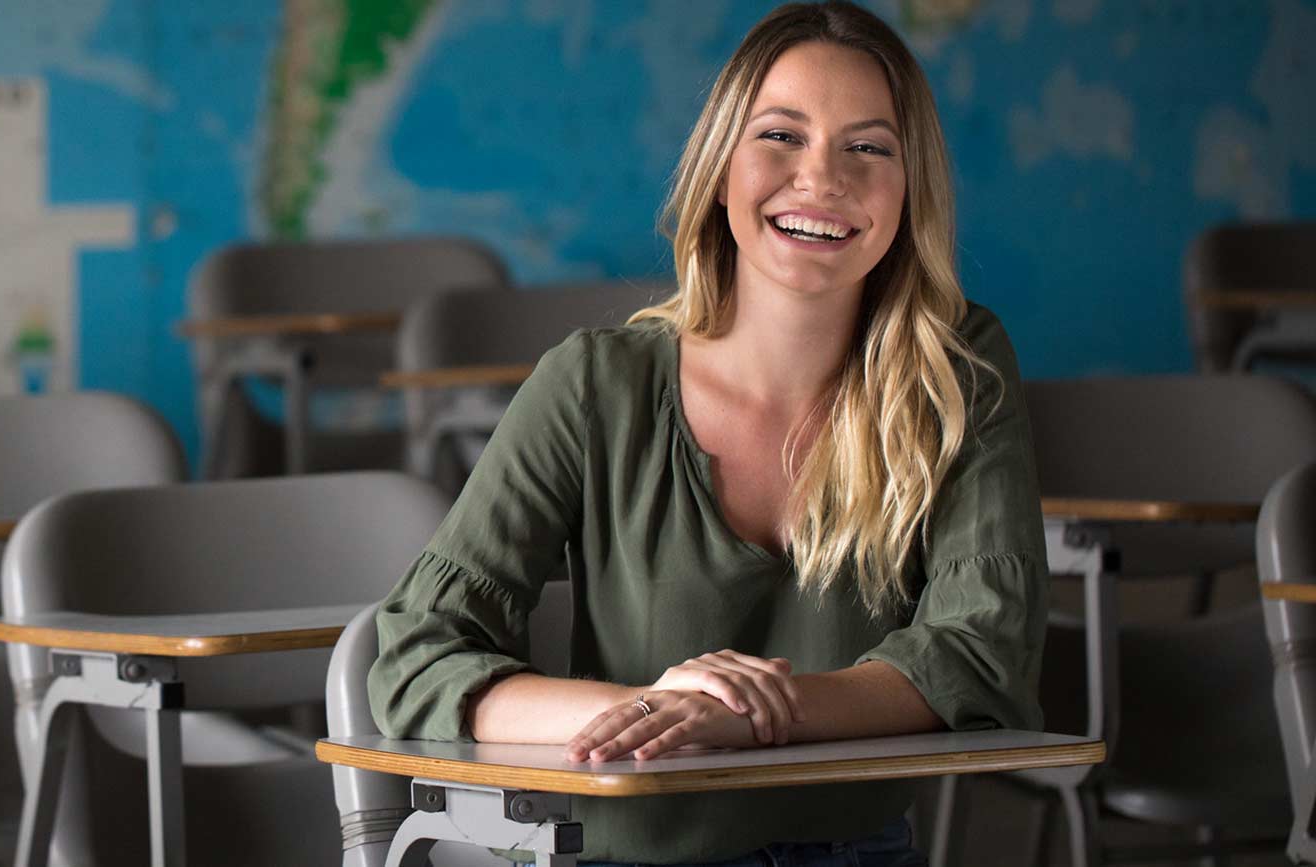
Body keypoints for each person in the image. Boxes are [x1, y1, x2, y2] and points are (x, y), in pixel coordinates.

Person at [366, 2, 1046, 864]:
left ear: (911, 190)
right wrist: (654, 707)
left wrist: (757, 712)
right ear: (720, 168)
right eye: (781, 136)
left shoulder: (957, 368)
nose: (822, 178)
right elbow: (418, 653)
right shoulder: (591, 385)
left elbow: (981, 647)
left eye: (868, 147)